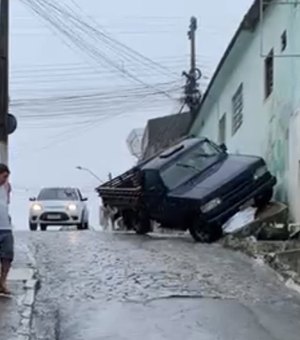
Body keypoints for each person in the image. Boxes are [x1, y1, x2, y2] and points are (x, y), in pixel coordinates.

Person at [0, 164, 13, 295]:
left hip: (6, 227)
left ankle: (2, 282)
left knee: (7, 256)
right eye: (4, 176)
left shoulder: (6, 188)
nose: (5, 179)